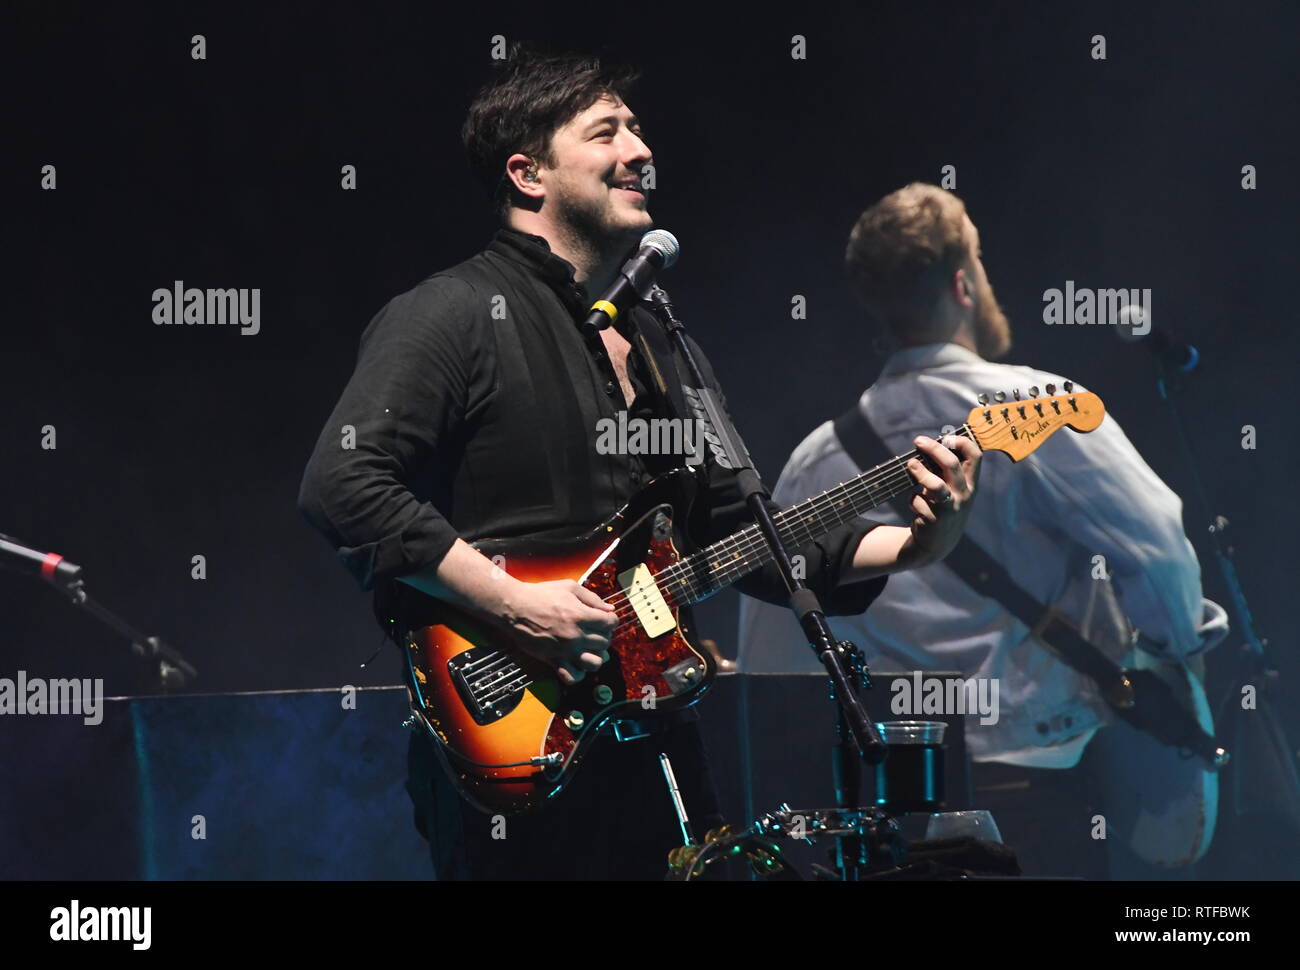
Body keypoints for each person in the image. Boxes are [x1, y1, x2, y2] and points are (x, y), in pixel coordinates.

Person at [297, 55, 981, 880]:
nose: (641, 149)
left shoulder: (662, 343)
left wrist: (916, 547)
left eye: (638, 128)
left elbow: (742, 530)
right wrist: (519, 605)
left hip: (656, 742)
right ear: (527, 173)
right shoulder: (450, 313)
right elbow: (343, 484)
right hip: (515, 749)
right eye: (606, 132)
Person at [738, 182, 1228, 879]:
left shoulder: (813, 460)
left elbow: (774, 658)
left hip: (889, 817)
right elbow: (1157, 548)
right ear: (964, 283)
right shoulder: (1038, 404)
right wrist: (1174, 654)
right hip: (1036, 791)